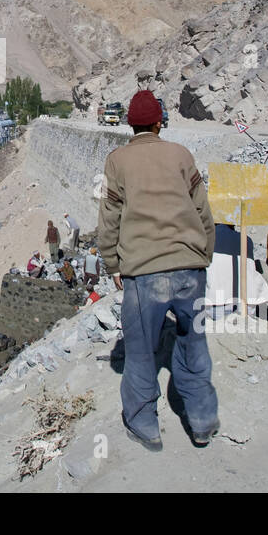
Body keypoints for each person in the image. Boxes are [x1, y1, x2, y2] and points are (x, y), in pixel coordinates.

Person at [97, 89, 218, 451]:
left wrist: (112, 263)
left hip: (142, 273)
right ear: (159, 122)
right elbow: (203, 211)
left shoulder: (117, 161)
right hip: (189, 270)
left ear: (130, 123)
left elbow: (109, 218)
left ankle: (145, 425)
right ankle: (202, 421)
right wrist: (204, 255)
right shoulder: (181, 154)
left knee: (139, 352)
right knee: (193, 344)